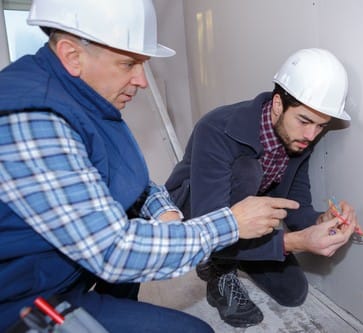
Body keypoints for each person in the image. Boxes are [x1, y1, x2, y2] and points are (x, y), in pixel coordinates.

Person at [0, 0, 299, 332]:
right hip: (20, 298)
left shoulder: (83, 97)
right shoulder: (34, 121)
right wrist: (231, 224)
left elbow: (128, 180)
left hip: (64, 271)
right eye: (129, 63)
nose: (142, 80)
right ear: (72, 55)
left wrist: (164, 211)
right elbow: (114, 251)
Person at [165, 48, 359, 328]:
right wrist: (293, 243)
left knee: (293, 293)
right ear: (278, 104)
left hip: (248, 219)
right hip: (196, 215)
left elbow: (295, 206)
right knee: (247, 170)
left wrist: (320, 220)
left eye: (321, 126)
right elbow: (210, 223)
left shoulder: (300, 139)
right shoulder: (218, 128)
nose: (311, 135)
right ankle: (219, 267)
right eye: (304, 121)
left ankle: (240, 251)